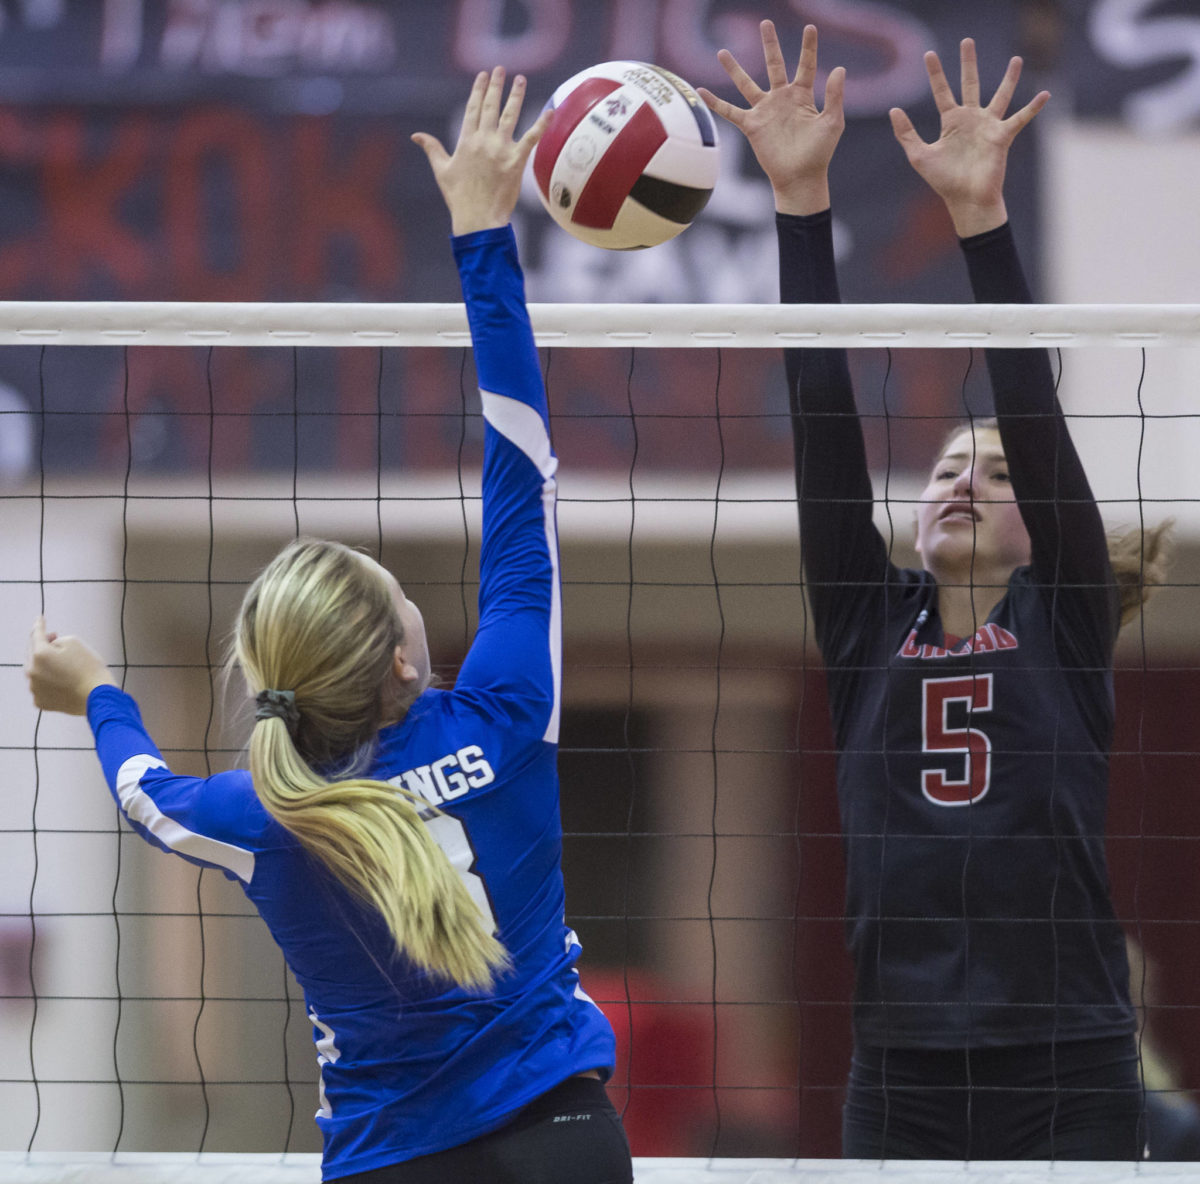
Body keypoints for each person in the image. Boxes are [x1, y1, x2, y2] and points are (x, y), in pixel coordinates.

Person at [25, 68, 633, 1184]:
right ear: (403, 653)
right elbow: (523, 471)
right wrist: (483, 236)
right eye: (403, 595)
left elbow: (143, 793)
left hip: (393, 1159)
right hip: (561, 1138)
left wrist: (97, 692)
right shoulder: (504, 712)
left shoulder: (260, 811)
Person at [700, 21, 1168, 1160]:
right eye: (950, 466)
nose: (964, 481)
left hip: (1068, 1060)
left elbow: (1034, 413)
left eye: (996, 476)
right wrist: (800, 202)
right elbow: (822, 419)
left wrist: (980, 218)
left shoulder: (1062, 617)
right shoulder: (869, 623)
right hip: (901, 1067)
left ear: (1037, 522)